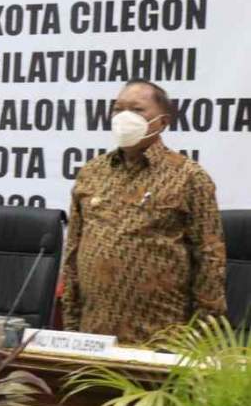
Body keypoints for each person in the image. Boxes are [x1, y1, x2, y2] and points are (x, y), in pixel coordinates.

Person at [62, 79, 226, 344]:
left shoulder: (189, 177)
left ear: (163, 121)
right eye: (118, 109)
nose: (124, 117)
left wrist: (200, 336)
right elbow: (73, 250)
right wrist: (71, 325)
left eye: (137, 110)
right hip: (93, 334)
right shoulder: (91, 173)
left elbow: (210, 258)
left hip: (162, 336)